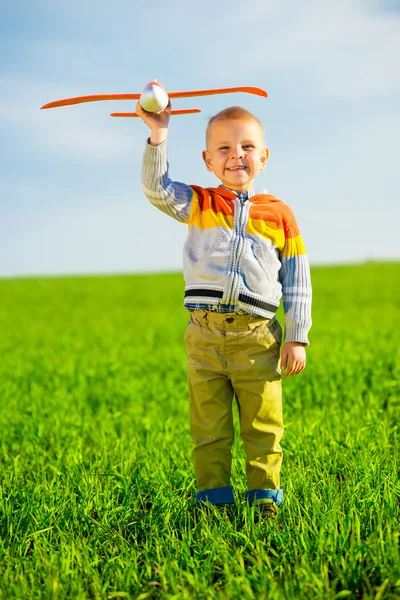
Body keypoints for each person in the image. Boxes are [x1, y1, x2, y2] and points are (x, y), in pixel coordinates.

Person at [137, 100, 312, 519]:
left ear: (264, 157)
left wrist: (296, 335)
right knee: (209, 427)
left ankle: (265, 501)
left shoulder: (280, 214)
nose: (237, 155)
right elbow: (156, 190)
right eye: (224, 148)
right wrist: (158, 134)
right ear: (208, 160)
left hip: (258, 338)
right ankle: (213, 503)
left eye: (248, 146)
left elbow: (297, 279)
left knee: (263, 425)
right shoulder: (200, 204)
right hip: (204, 335)